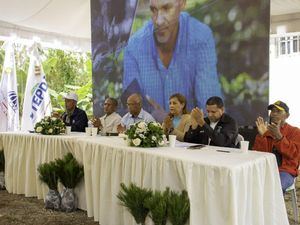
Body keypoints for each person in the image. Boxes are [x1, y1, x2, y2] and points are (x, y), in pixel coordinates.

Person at [123, 0, 222, 113]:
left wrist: (167, 122)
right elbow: (131, 112)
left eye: (166, 8)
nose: (158, 21)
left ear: (182, 3)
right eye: (153, 10)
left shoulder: (201, 37)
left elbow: (210, 111)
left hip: (192, 130)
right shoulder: (134, 46)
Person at [253, 101, 300, 192]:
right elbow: (258, 155)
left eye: (278, 111)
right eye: (272, 111)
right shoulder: (266, 130)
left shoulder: (295, 132)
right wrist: (262, 136)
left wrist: (279, 137)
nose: (274, 114)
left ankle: (274, 206)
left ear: (287, 116)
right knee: (248, 182)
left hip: (285, 171)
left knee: (275, 187)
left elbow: (295, 155)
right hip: (266, 169)